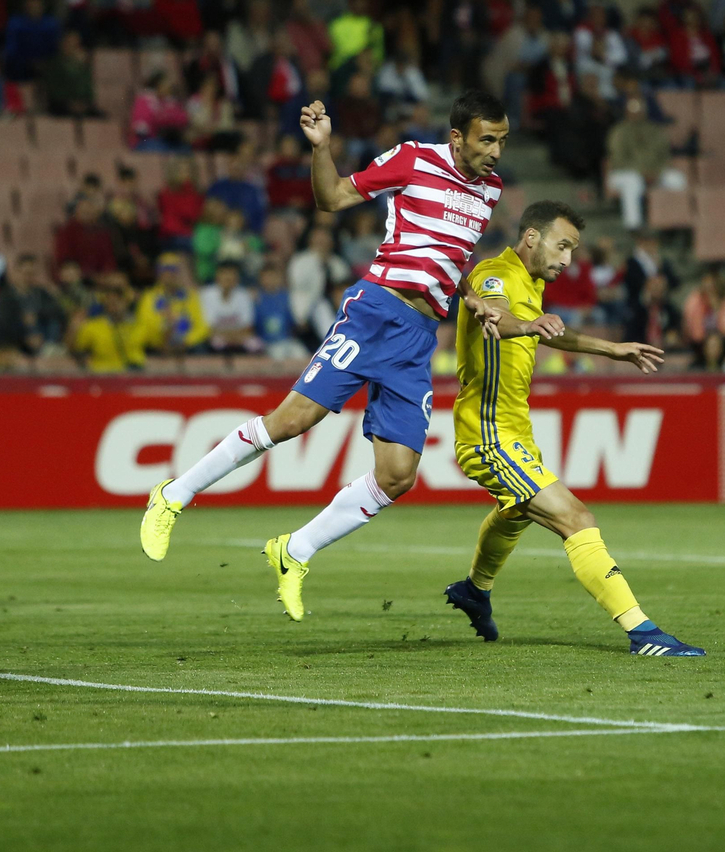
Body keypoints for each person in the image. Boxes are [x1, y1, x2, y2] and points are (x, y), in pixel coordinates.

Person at [138, 92, 509, 624]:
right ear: (458, 138)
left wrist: (471, 295)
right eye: (487, 139)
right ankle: (173, 494)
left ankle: (295, 551)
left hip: (419, 335)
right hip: (377, 310)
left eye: (502, 140)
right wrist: (322, 148)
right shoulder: (413, 159)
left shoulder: (490, 191)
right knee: (291, 421)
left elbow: (450, 258)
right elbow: (332, 197)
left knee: (399, 475)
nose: (496, 151)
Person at [441, 201, 700, 657]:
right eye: (562, 246)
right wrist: (526, 323)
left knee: (515, 512)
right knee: (576, 519)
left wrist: (612, 349)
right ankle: (642, 632)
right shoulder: (494, 273)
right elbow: (495, 314)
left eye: (573, 251)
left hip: (515, 431)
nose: (567, 260)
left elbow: (548, 332)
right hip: (487, 433)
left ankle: (475, 591)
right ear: (531, 238)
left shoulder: (533, 282)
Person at [603, 95, 683, 231]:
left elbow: (664, 156)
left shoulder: (655, 130)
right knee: (633, 181)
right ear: (627, 113)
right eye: (633, 112)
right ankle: (633, 226)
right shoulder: (618, 132)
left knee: (676, 179)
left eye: (639, 112)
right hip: (623, 173)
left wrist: (656, 171)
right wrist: (642, 172)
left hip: (653, 172)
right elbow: (618, 160)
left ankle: (672, 223)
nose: (636, 115)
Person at [135, 251, 210, 355]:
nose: (169, 274)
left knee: (200, 349)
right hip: (157, 346)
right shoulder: (149, 297)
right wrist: (161, 341)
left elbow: (202, 327)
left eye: (173, 270)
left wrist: (186, 341)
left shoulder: (190, 296)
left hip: (186, 346)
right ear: (158, 273)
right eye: (164, 269)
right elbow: (144, 326)